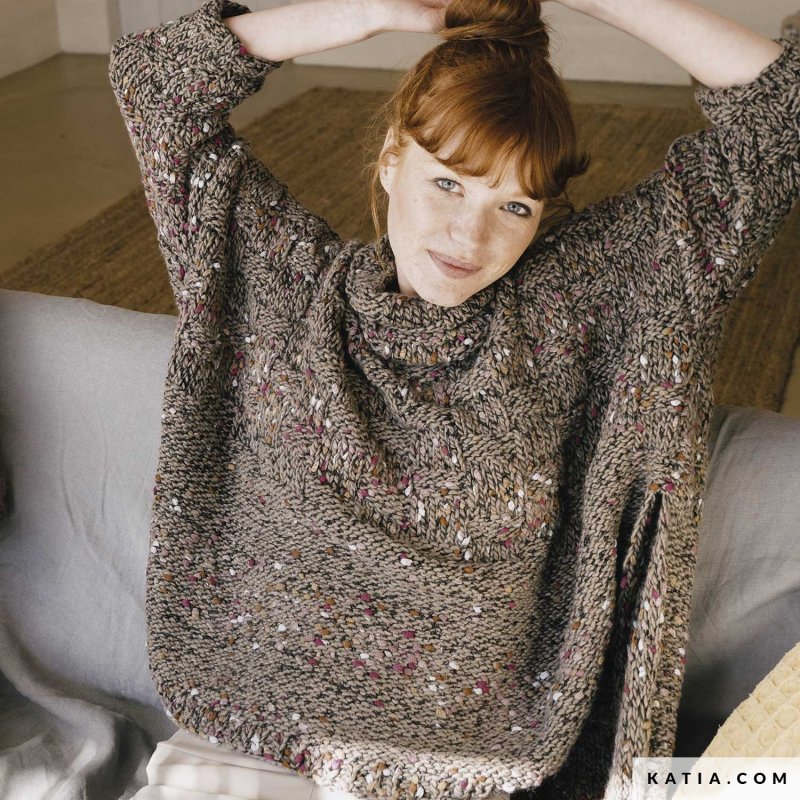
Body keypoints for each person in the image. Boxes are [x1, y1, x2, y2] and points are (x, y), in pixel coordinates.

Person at [108, 0, 798, 798]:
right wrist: (373, 11)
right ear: (390, 160)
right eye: (447, 182)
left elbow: (782, 111)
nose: (471, 238)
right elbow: (155, 84)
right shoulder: (282, 285)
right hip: (253, 743)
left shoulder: (579, 308)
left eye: (515, 206)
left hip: (465, 773)